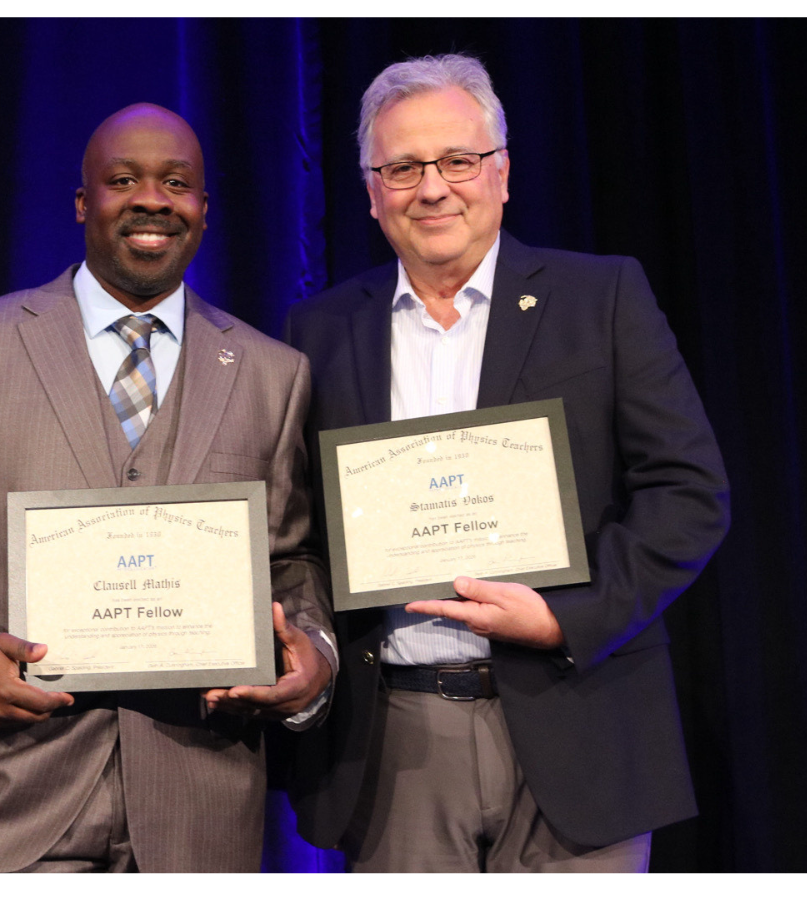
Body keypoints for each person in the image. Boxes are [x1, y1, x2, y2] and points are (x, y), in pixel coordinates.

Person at [285, 54, 730, 872]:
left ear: (503, 172)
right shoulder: (317, 332)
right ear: (371, 188)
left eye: (458, 160)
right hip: (395, 747)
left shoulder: (602, 299)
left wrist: (570, 617)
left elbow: (688, 493)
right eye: (403, 167)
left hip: (581, 719)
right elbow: (299, 529)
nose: (433, 188)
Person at [0, 103, 335, 873]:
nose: (152, 199)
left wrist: (311, 655)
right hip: (10, 800)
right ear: (84, 203)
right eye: (124, 180)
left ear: (204, 210)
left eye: (176, 183)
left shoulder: (270, 374)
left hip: (200, 809)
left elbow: (289, 561)